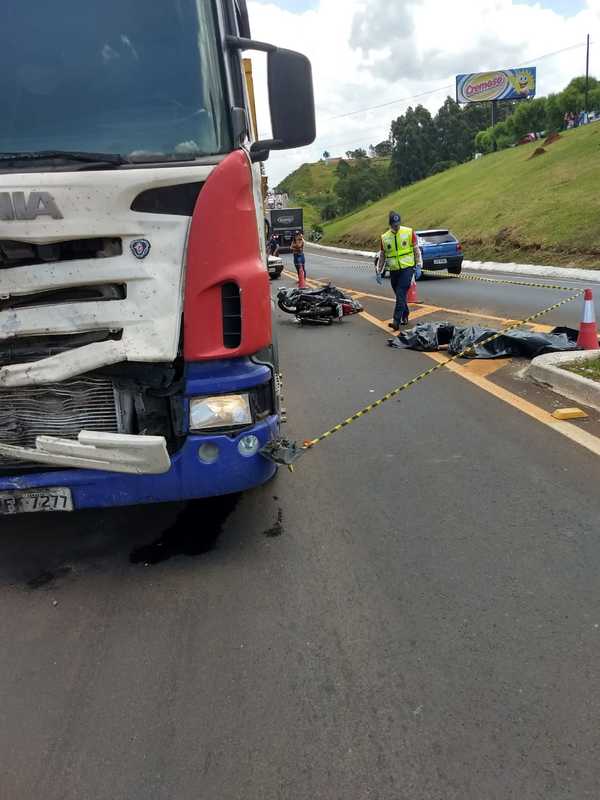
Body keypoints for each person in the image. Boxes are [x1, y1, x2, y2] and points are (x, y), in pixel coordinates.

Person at [376, 210, 422, 330]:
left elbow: (416, 250)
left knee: (401, 292)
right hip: (394, 270)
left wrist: (418, 265)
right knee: (399, 295)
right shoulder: (384, 237)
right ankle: (405, 313)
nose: (396, 227)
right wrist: (379, 271)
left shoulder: (409, 232)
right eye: (394, 225)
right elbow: (382, 256)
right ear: (390, 224)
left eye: (398, 224)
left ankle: (396, 321)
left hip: (407, 268)